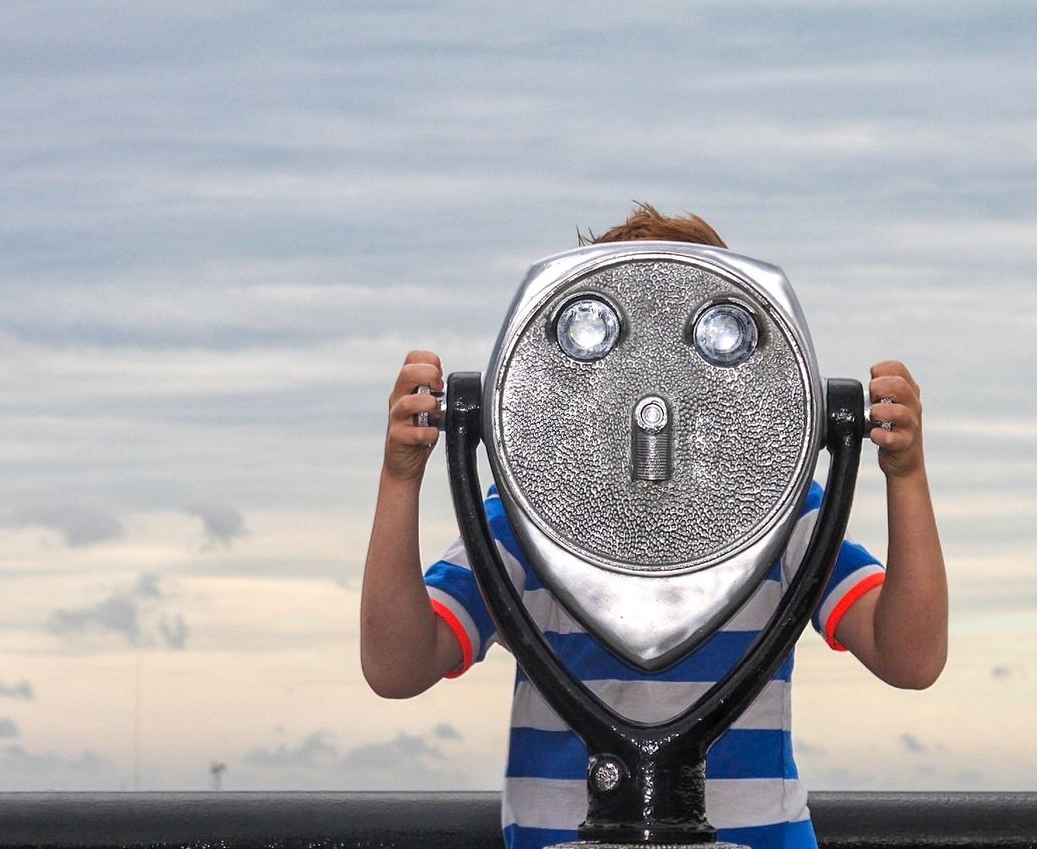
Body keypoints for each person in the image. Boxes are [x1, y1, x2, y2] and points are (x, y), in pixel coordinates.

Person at [360, 204, 947, 849]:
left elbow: (911, 656)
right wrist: (400, 478)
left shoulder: (782, 517)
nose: (656, 390)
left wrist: (906, 474)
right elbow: (397, 666)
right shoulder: (525, 520)